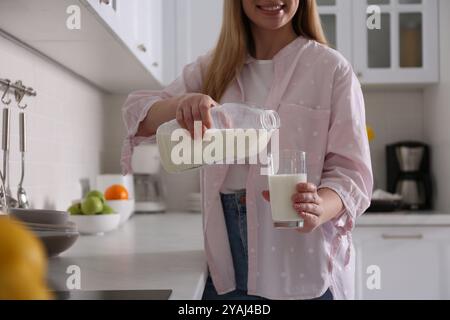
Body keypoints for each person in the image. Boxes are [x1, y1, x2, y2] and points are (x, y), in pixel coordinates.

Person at [121, 0, 373, 300]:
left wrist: (319, 207)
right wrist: (179, 105)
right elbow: (136, 114)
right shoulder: (213, 68)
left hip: (302, 262)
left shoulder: (332, 69)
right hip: (225, 264)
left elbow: (352, 174)